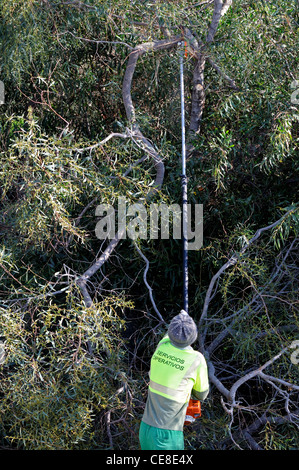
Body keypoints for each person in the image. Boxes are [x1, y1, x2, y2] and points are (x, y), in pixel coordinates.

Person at [139, 310, 209, 450]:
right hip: (167, 436)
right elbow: (202, 394)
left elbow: (171, 334)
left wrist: (181, 318)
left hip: (145, 429)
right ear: (193, 336)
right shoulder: (197, 359)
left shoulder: (161, 346)